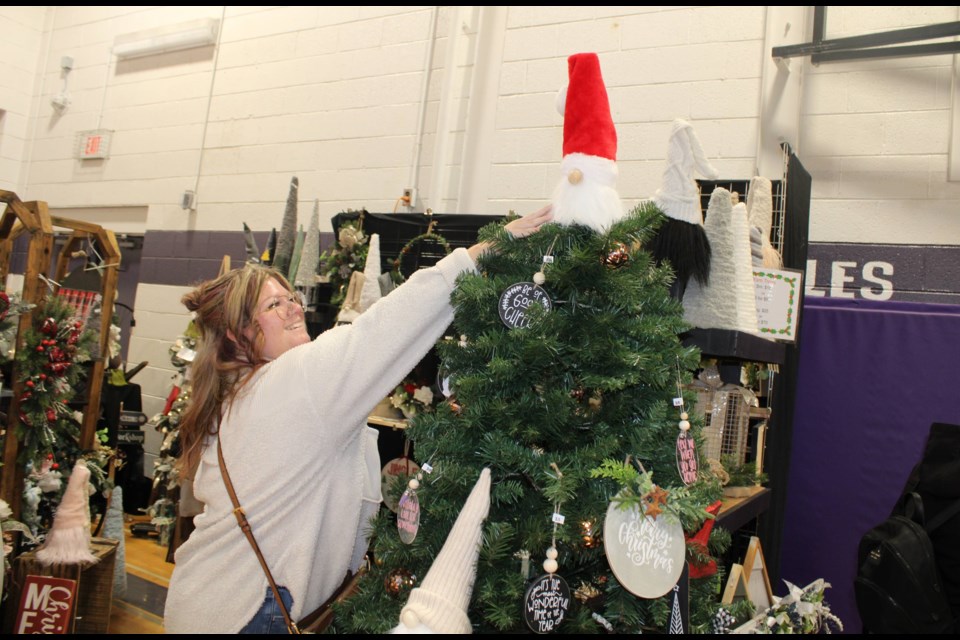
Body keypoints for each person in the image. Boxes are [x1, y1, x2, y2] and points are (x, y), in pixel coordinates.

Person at [162, 205, 553, 634]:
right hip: (245, 612)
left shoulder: (240, 393)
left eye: (292, 297)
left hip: (213, 602)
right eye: (276, 304)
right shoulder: (292, 381)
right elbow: (383, 330)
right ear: (238, 334)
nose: (295, 308)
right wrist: (477, 255)